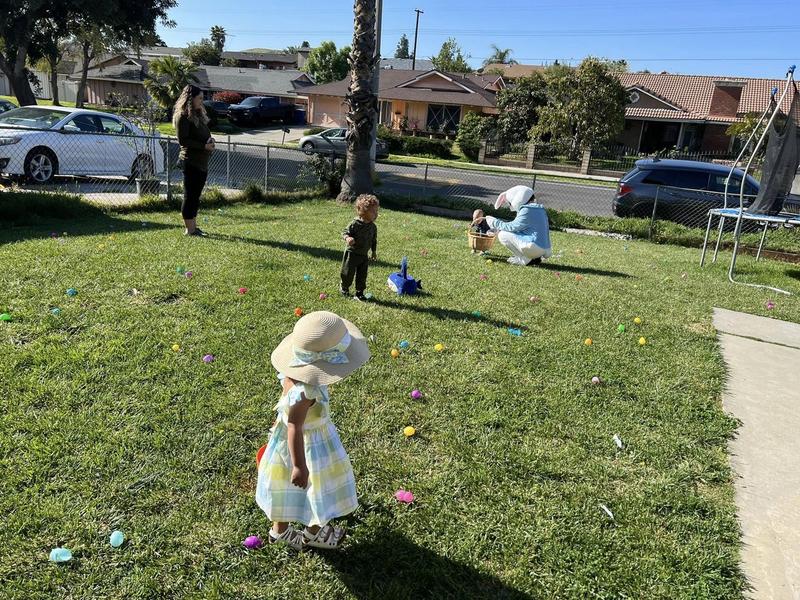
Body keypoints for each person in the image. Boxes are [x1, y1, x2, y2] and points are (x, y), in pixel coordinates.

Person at [255, 311, 370, 550]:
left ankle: (280, 531)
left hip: (286, 442)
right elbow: (295, 424)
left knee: (283, 488)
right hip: (309, 447)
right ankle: (315, 533)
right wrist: (299, 465)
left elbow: (287, 417)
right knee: (321, 488)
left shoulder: (293, 374)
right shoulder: (306, 391)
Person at [173, 85, 215, 236]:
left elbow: (201, 133)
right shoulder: (182, 116)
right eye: (200, 98)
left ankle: (194, 227)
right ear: (191, 99)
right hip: (190, 161)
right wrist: (204, 146)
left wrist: (210, 141)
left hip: (202, 162)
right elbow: (183, 140)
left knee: (196, 196)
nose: (202, 102)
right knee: (189, 196)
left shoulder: (197, 114)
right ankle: (189, 229)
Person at [479, 185, 552, 266]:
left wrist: (494, 222)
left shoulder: (526, 210)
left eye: (510, 203)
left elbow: (512, 227)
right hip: (544, 248)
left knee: (502, 235)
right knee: (502, 232)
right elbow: (520, 229)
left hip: (534, 247)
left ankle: (524, 259)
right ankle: (533, 258)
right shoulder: (539, 209)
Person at [340, 194, 379, 301]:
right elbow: (344, 232)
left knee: (362, 275)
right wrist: (347, 238)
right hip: (352, 253)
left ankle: (359, 292)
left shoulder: (373, 227)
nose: (376, 214)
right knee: (348, 273)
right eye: (373, 211)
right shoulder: (354, 224)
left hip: (363, 255)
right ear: (362, 211)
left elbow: (373, 240)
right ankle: (344, 286)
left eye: (376, 211)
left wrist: (374, 252)